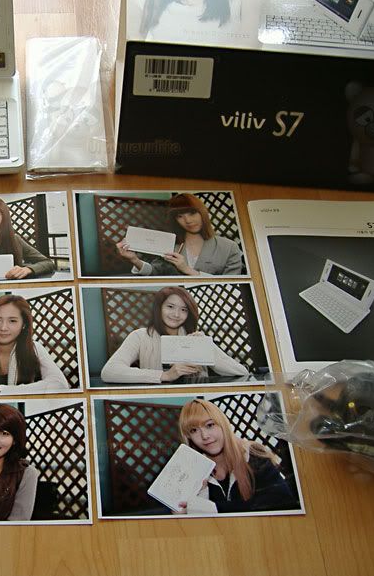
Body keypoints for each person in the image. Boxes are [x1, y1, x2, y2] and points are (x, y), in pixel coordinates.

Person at [100, 286, 248, 384]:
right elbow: (109, 371)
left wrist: (206, 348)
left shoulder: (195, 337)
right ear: (159, 308)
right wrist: (165, 375)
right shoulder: (140, 336)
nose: (176, 314)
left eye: (184, 310)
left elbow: (242, 372)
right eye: (170, 307)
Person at [175, 399, 298, 514]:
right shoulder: (192, 468)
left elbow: (282, 501)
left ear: (223, 424)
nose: (205, 436)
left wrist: (216, 508)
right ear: (189, 437)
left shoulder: (252, 454)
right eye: (194, 430)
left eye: (210, 425)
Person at [116, 193, 243, 276]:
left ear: (202, 213)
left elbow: (232, 285)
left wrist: (187, 269)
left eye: (192, 213)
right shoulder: (171, 245)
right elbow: (155, 272)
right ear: (175, 220)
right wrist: (135, 260)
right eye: (180, 216)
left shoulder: (229, 247)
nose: (188, 220)